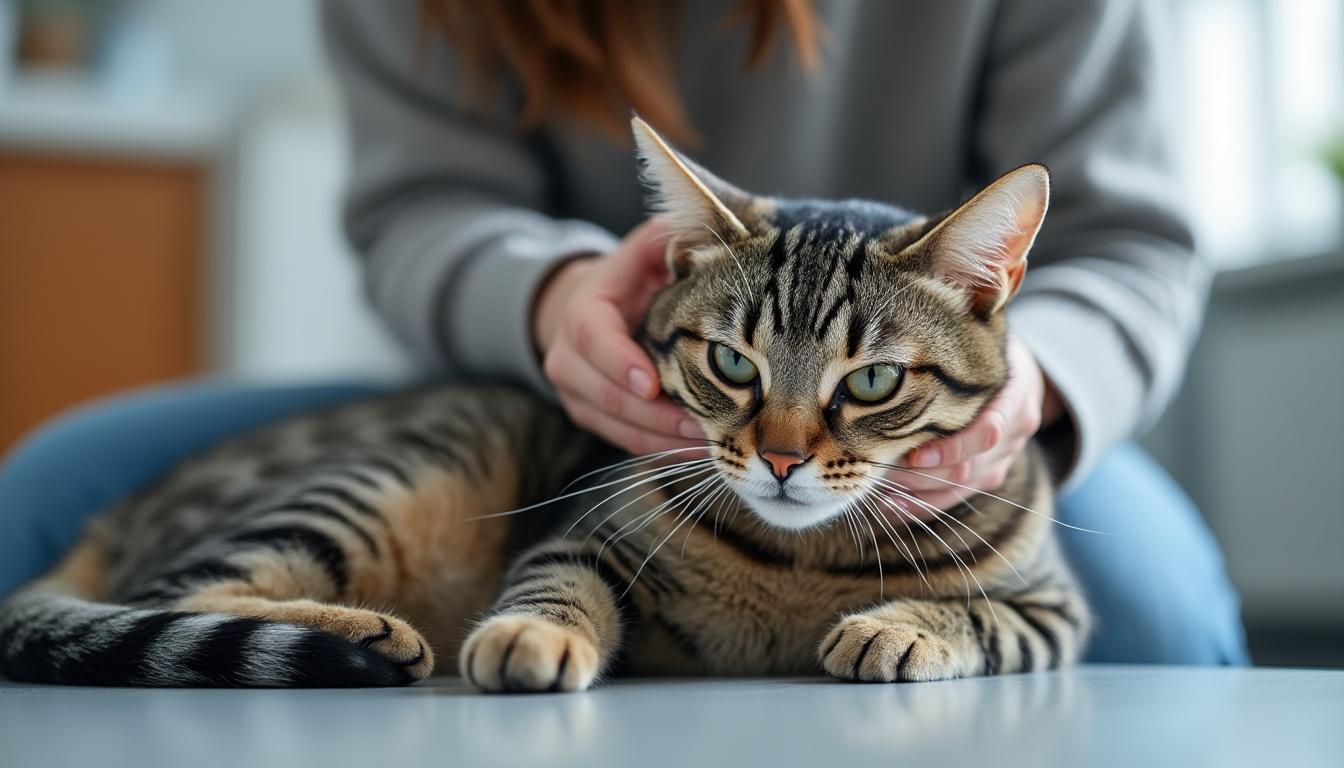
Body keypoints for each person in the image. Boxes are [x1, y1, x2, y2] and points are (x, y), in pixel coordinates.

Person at [0, 0, 1247, 664]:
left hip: (958, 428)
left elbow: (1130, 242)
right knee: (50, 486)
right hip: (574, 391)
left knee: (1149, 606)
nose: (791, 445)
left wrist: (1034, 380)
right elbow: (413, 209)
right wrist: (549, 298)